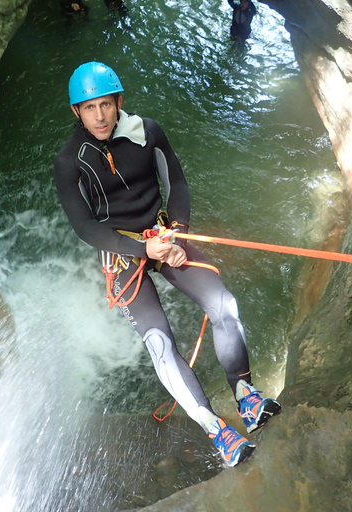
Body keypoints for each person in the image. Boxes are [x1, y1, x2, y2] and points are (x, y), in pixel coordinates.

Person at [53, 61, 280, 467]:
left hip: (165, 235)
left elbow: (177, 184)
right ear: (76, 112)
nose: (100, 116)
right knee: (160, 343)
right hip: (123, 254)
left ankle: (246, 396)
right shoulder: (69, 160)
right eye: (89, 108)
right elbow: (85, 227)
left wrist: (175, 233)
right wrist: (145, 251)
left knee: (223, 305)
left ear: (119, 102)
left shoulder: (148, 132)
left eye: (106, 105)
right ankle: (217, 430)